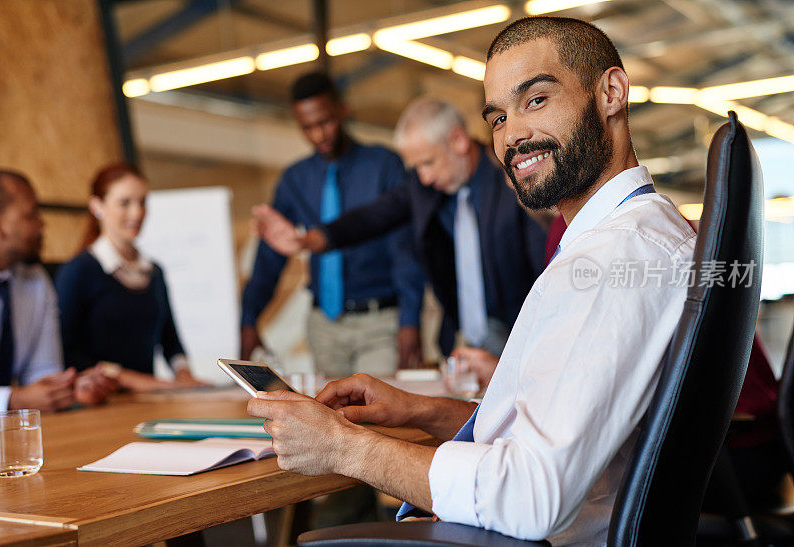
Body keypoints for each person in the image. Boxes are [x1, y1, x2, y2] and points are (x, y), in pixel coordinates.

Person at [246, 16, 700, 544]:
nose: (513, 136)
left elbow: (532, 496)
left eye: (536, 100)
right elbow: (560, 425)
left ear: (612, 93)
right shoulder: (623, 238)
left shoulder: (616, 260)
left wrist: (344, 448)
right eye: (499, 117)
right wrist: (421, 410)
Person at [255, 97, 547, 356]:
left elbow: (543, 268)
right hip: (460, 345)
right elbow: (373, 216)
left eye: (428, 162)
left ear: (458, 140)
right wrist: (310, 240)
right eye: (416, 168)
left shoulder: (514, 181)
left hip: (521, 339)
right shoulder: (425, 190)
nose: (424, 177)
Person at [241, 71, 425, 375]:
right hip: (324, 326)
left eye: (325, 122)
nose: (318, 135)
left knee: (377, 412)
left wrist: (410, 320)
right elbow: (269, 258)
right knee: (332, 415)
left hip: (379, 322)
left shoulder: (383, 165)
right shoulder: (294, 180)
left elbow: (405, 250)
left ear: (342, 110)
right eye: (308, 127)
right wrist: (249, 319)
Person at [55, 163, 205, 391]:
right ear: (97, 206)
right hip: (102, 403)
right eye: (125, 203)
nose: (137, 213)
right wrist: (131, 379)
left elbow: (171, 340)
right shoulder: (79, 270)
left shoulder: (154, 271)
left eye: (142, 202)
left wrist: (184, 375)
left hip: (148, 399)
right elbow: (67, 352)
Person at [0, 170, 116, 412]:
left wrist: (68, 388)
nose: (42, 224)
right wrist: (12, 400)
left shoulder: (36, 281)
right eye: (31, 215)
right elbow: (20, 397)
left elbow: (42, 371)